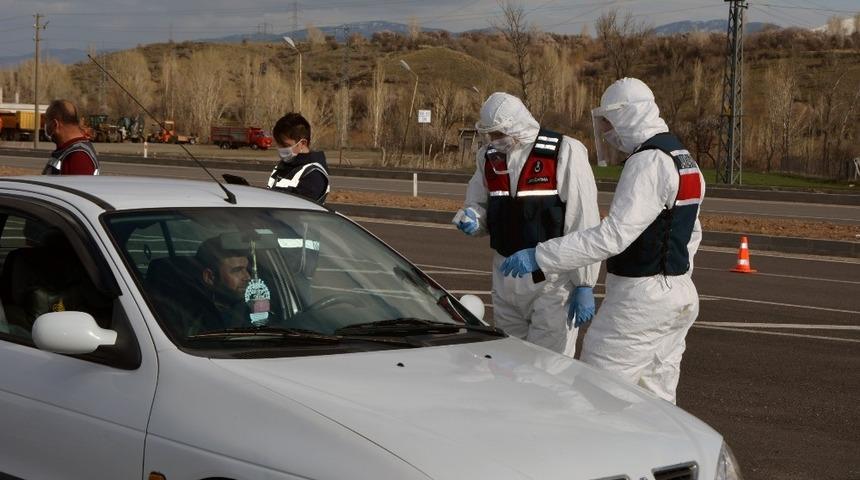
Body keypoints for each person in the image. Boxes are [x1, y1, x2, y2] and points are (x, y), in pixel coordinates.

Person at [500, 78, 706, 404]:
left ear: (627, 114)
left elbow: (612, 235)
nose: (607, 132)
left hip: (639, 302)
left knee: (595, 395)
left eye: (609, 122)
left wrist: (541, 256)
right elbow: (692, 232)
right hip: (678, 295)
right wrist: (673, 276)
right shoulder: (683, 158)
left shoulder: (647, 161)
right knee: (656, 402)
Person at [453, 92, 600, 355]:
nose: (494, 140)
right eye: (489, 134)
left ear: (516, 125)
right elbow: (479, 203)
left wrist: (584, 282)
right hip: (506, 277)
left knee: (548, 366)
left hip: (551, 282)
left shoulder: (563, 151)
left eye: (498, 133)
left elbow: (583, 219)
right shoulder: (489, 157)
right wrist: (473, 218)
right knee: (509, 361)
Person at [268, 113, 330, 203]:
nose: (280, 149)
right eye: (278, 144)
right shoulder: (284, 166)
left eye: (285, 145)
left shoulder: (313, 175)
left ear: (302, 143)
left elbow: (296, 208)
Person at [195, 236, 253, 329]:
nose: (247, 277)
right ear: (209, 277)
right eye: (237, 270)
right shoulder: (190, 317)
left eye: (247, 269)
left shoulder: (257, 311)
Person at [42, 99, 100, 175]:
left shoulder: (78, 157)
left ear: (55, 124)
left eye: (47, 122)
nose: (46, 126)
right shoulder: (68, 150)